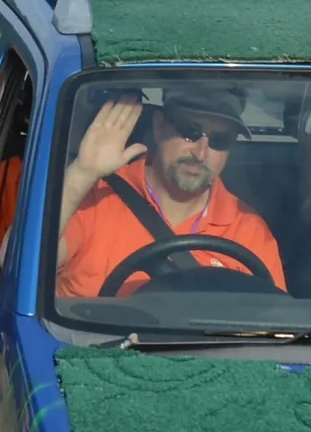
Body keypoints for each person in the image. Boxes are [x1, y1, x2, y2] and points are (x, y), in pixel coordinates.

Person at [58, 88, 284, 299]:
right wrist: (81, 174)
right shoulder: (95, 197)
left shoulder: (248, 228)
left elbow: (272, 322)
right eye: (190, 132)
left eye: (219, 141)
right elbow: (29, 263)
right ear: (158, 127)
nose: (201, 153)